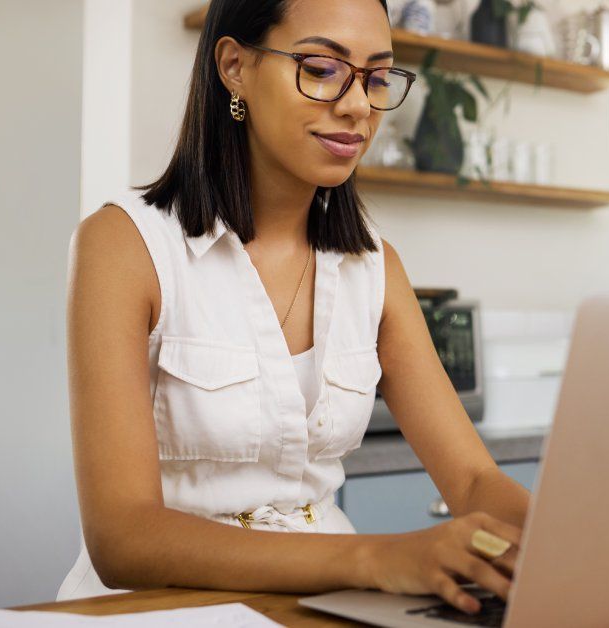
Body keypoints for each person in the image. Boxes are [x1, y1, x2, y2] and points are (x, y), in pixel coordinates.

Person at [59, 0, 529, 616]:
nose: (359, 105)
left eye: (377, 77)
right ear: (234, 67)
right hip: (161, 611)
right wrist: (376, 559)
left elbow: (472, 482)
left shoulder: (375, 268)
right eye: (321, 68)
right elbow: (123, 537)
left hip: (326, 607)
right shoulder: (124, 246)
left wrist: (562, 544)